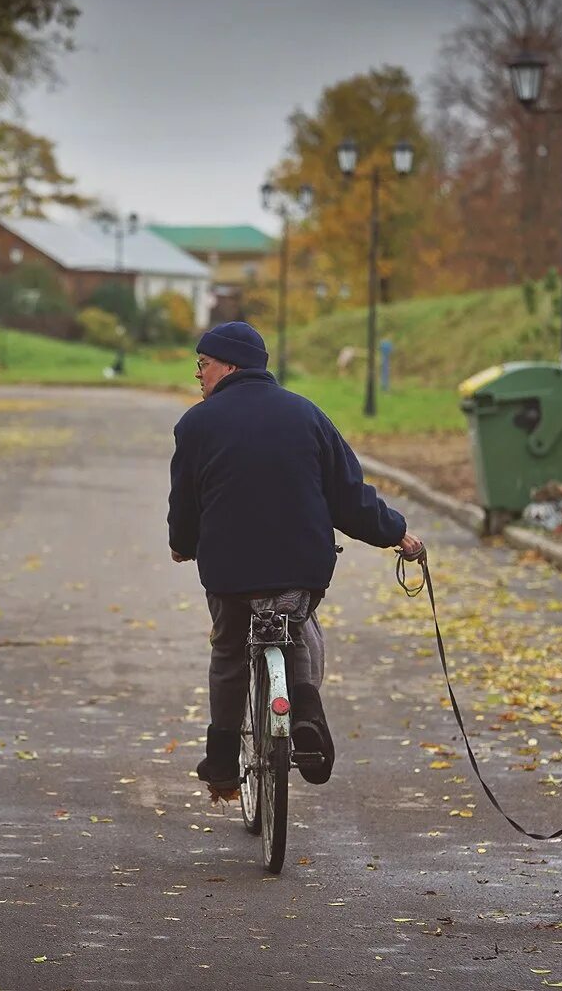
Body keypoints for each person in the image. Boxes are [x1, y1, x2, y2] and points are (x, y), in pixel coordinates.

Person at [167, 320, 423, 793]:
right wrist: (396, 533)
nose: (198, 375)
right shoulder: (307, 415)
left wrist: (182, 544)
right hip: (301, 566)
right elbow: (349, 497)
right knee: (295, 622)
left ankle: (221, 760)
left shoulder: (196, 424)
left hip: (229, 572)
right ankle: (306, 715)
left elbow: (185, 502)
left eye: (202, 365)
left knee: (228, 650)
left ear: (228, 366)